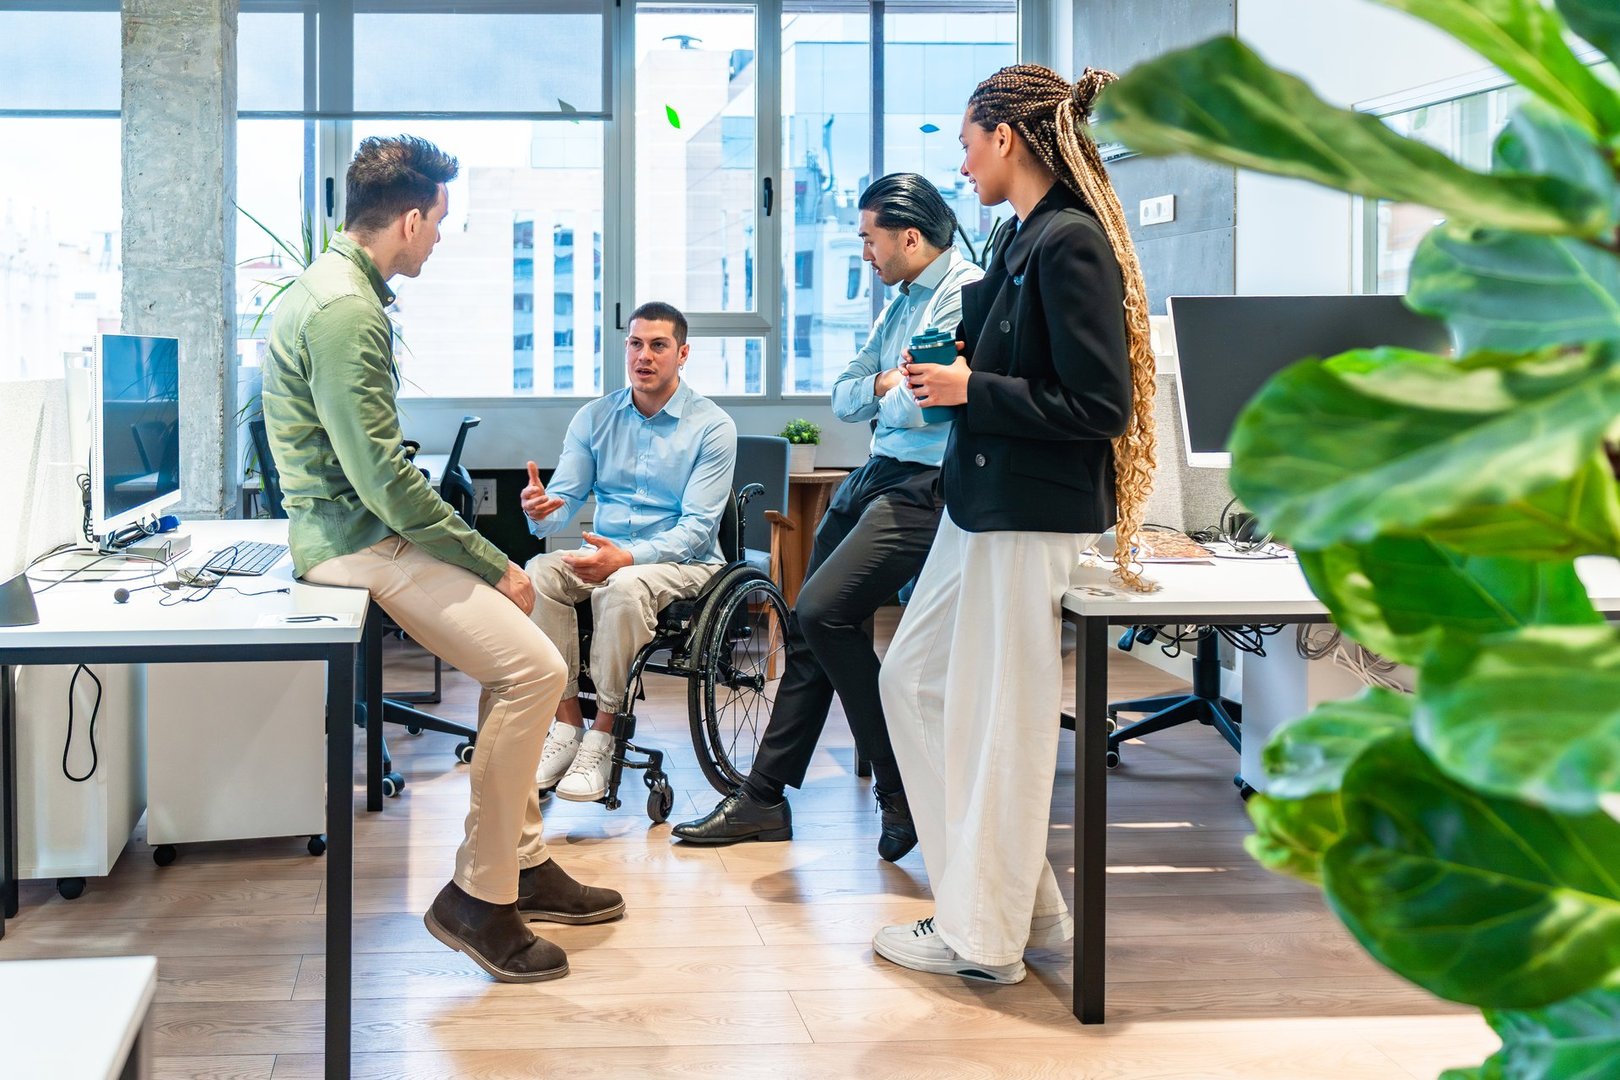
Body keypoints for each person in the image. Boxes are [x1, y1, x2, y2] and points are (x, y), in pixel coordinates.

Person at [263, 135, 623, 986]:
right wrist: (491, 559)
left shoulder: (330, 289)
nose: (437, 242)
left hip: (362, 535)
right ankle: (478, 897)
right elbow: (384, 480)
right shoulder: (345, 311)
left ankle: (521, 863)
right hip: (359, 547)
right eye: (439, 226)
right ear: (412, 217)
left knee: (522, 657)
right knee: (535, 672)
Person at [870, 65, 1159, 985]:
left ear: (1006, 137)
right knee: (913, 682)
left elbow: (1099, 404)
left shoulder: (1071, 242)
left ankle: (983, 941)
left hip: (1028, 512)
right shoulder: (1018, 235)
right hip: (980, 502)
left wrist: (972, 388)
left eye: (964, 142)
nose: (959, 162)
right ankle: (1015, 905)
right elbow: (1015, 361)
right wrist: (956, 371)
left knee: (1003, 721)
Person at [672, 173, 983, 860]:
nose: (866, 255)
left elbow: (923, 402)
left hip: (926, 484)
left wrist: (892, 387)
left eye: (870, 240)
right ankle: (764, 799)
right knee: (808, 627)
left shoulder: (961, 293)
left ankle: (901, 791)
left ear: (908, 236)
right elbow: (846, 395)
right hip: (874, 473)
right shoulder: (902, 303)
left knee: (823, 612)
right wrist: (886, 382)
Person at [522, 302, 737, 802]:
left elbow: (697, 528)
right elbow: (564, 499)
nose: (645, 356)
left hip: (685, 564)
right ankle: (567, 722)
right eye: (635, 344)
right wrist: (539, 509)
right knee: (538, 573)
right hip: (609, 554)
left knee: (621, 586)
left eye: (658, 345)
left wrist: (627, 557)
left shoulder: (712, 426)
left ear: (682, 353)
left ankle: (603, 734)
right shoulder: (596, 416)